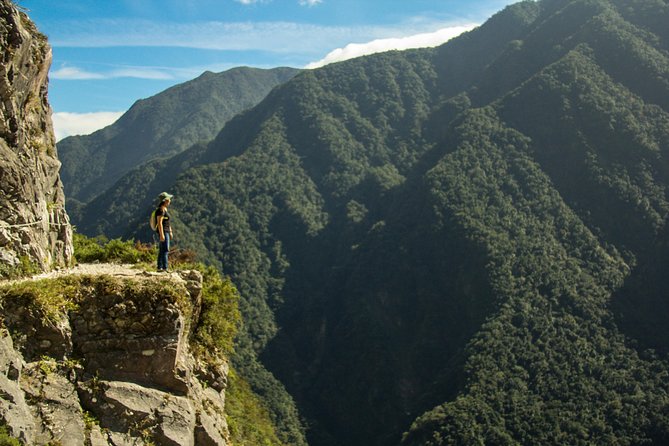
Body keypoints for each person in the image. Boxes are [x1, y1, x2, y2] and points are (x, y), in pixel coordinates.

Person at [155, 192, 173, 271]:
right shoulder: (161, 210)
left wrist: (170, 231)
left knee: (162, 249)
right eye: (168, 199)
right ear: (165, 200)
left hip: (166, 231)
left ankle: (159, 267)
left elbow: (167, 222)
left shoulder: (164, 209)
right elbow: (159, 223)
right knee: (165, 249)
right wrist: (162, 235)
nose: (170, 200)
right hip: (164, 232)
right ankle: (165, 268)